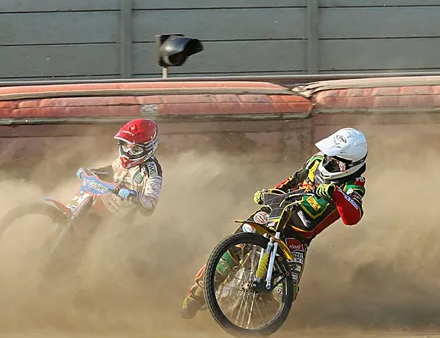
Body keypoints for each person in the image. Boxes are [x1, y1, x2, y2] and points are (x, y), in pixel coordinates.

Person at [180, 127, 368, 319]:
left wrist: (336, 194)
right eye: (329, 155)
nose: (328, 161)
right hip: (276, 213)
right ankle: (197, 295)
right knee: (235, 245)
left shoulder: (354, 184)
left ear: (350, 165)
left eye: (335, 160)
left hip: (299, 236)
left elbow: (353, 217)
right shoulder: (317, 160)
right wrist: (269, 193)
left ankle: (258, 318)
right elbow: (294, 179)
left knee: (284, 292)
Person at [82, 118, 163, 216]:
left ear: (150, 147)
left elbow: (150, 207)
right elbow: (111, 170)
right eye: (125, 145)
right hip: (107, 200)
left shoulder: (152, 171)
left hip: (122, 216)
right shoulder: (123, 160)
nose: (128, 152)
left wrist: (134, 196)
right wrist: (92, 172)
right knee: (89, 191)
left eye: (136, 149)